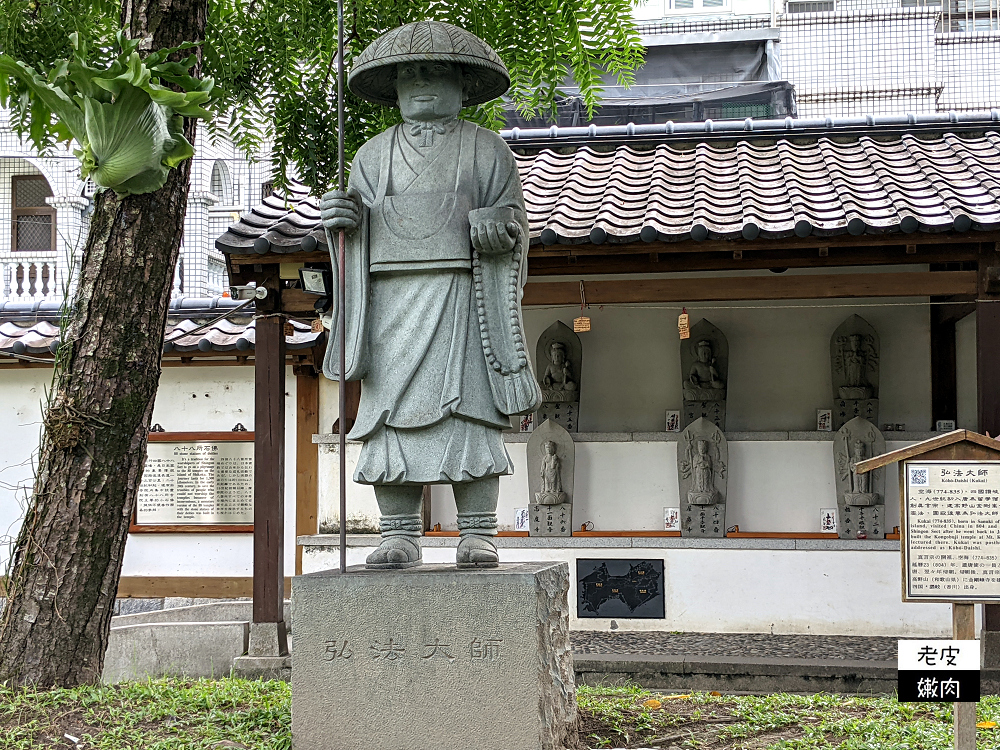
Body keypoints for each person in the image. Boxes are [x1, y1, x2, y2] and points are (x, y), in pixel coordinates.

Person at [319, 21, 540, 569]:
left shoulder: (488, 151)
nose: (422, 83)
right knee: (386, 415)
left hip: (462, 298)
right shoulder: (370, 156)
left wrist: (500, 227)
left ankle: (479, 530)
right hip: (390, 302)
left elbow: (515, 220)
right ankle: (396, 531)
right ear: (392, 88)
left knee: (469, 412)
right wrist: (341, 223)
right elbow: (356, 230)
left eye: (436, 72)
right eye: (409, 74)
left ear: (463, 86)